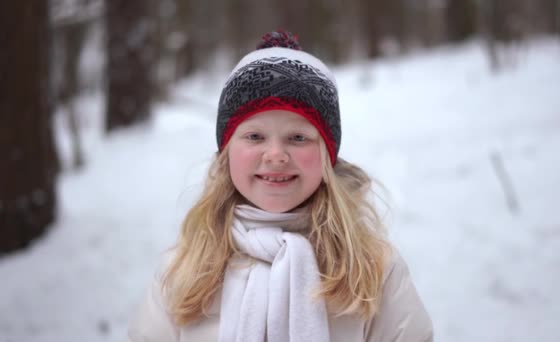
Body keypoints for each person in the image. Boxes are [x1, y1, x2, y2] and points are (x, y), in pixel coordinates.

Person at [128, 30, 433, 342]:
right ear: (226, 153)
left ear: (327, 156)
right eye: (255, 136)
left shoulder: (371, 267)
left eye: (298, 138)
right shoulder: (185, 269)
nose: (275, 155)